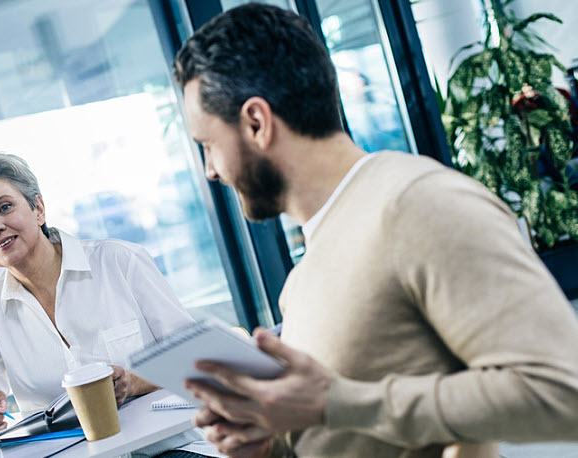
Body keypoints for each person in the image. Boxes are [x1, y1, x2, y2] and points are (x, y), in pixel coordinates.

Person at [173, 4, 578, 458]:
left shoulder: (418, 204)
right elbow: (339, 434)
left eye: (208, 144)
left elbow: (563, 392)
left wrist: (334, 402)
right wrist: (268, 439)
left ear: (256, 123)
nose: (210, 170)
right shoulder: (305, 274)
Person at [0, 153, 219, 457]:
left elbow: (200, 358)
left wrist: (133, 383)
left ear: (38, 209)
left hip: (167, 451)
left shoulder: (119, 262)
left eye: (5, 207)